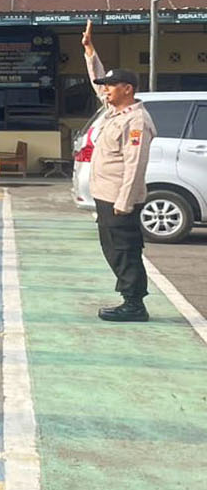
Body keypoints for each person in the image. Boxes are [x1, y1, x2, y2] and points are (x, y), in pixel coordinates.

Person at [83, 21, 157, 322]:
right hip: (105, 196)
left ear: (127, 89)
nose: (106, 91)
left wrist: (124, 203)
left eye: (112, 86)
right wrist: (89, 51)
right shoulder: (115, 110)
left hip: (119, 200)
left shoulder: (136, 121)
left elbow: (135, 165)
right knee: (113, 248)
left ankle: (134, 304)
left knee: (125, 250)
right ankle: (129, 298)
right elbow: (96, 81)